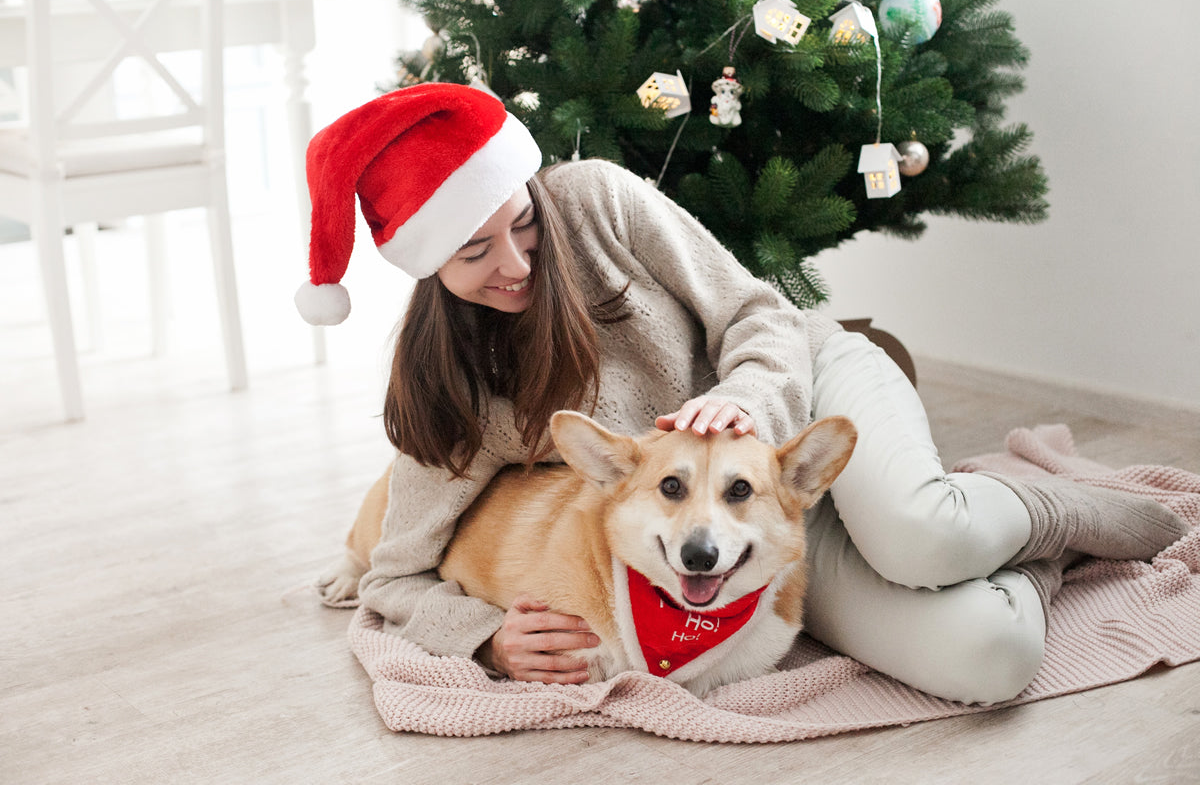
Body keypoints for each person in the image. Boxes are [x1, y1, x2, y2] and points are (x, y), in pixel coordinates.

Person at [298, 83, 1187, 705]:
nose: (519, 261)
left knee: (923, 536)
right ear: (425, 264)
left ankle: (1054, 511)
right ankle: (1039, 567)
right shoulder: (459, 395)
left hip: (801, 386)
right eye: (474, 251)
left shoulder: (597, 200)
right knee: (990, 659)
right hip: (738, 529)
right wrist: (481, 639)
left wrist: (752, 403)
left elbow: (756, 312)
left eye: (522, 222)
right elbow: (395, 574)